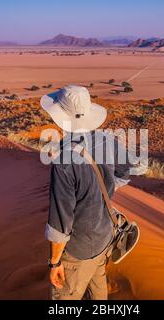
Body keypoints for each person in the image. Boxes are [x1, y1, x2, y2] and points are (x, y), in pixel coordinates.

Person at [40, 85, 133, 300]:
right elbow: (126, 171)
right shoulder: (108, 141)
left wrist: (54, 263)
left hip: (78, 251)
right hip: (104, 238)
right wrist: (104, 191)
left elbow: (60, 225)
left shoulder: (64, 161)